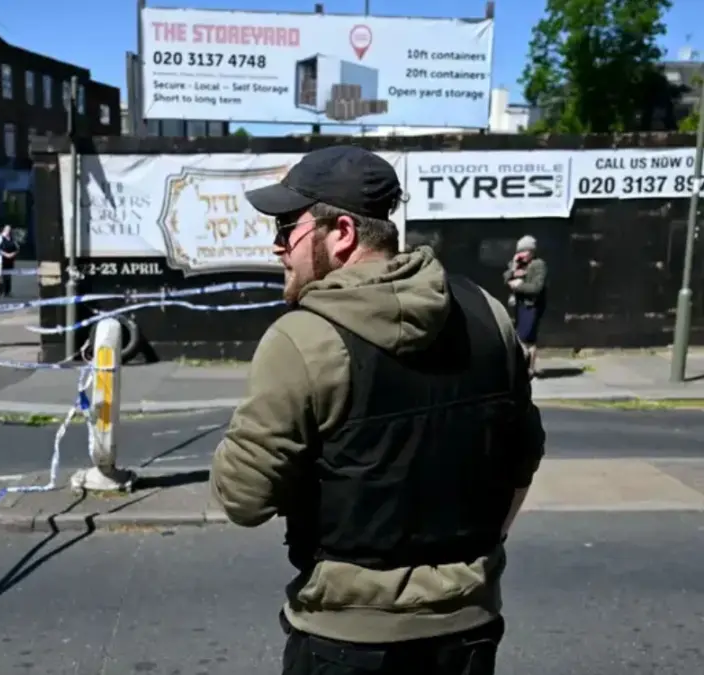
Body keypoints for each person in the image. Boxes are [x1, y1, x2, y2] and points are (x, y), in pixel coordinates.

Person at [208, 146, 546, 675]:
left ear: (341, 233)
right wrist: (480, 551)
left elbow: (242, 499)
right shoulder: (488, 313)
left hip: (347, 639)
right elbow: (524, 457)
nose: (277, 246)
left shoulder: (303, 339)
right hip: (470, 630)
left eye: (286, 228)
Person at [504, 236, 547, 379]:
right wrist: (514, 268)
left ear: (531, 251)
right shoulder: (519, 264)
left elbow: (536, 288)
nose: (522, 255)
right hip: (519, 305)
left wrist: (519, 286)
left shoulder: (538, 265)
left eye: (525, 251)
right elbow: (505, 278)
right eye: (520, 252)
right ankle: (526, 368)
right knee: (524, 338)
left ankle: (526, 368)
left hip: (532, 306)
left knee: (525, 338)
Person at [0, 224, 19, 298]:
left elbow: (17, 248)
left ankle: (7, 292)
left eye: (10, 229)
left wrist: (13, 254)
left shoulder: (12, 238)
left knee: (8, 276)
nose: (8, 231)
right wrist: (5, 254)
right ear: (3, 230)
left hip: (10, 261)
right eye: (7, 229)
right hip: (0, 260)